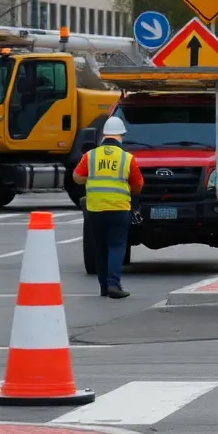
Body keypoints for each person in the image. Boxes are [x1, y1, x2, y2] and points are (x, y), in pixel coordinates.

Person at [72, 116, 143, 299]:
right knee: (116, 246)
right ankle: (114, 284)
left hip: (95, 209)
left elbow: (77, 177)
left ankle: (104, 286)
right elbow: (138, 186)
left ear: (104, 135)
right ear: (121, 136)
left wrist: (92, 178)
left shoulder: (91, 156)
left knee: (100, 247)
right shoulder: (127, 158)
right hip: (119, 209)